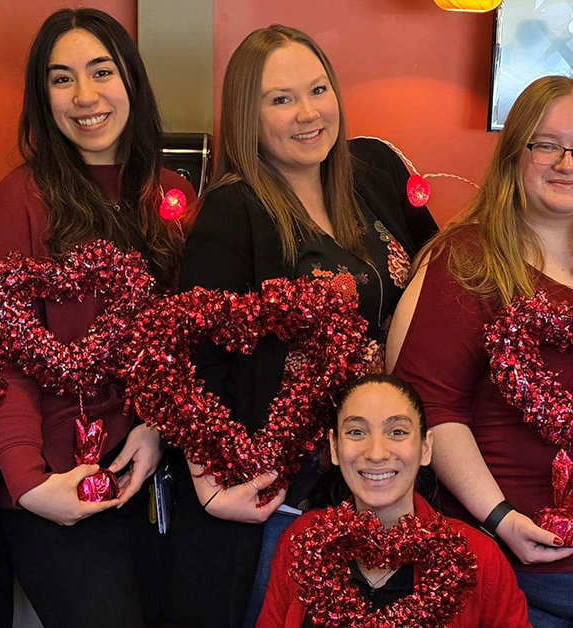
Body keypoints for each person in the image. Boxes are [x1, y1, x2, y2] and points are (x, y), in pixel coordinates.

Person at [174, 24, 437, 628]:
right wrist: (207, 479)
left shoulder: (374, 170)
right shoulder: (232, 210)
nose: (308, 113)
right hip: (291, 493)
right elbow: (191, 357)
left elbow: (437, 269)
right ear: (248, 114)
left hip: (385, 475)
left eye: (318, 90)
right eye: (281, 99)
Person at [387, 76, 573, 627]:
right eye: (547, 144)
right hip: (519, 569)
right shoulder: (467, 260)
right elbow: (431, 411)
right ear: (515, 155)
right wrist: (500, 519)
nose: (568, 161)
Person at [0, 9, 195, 627]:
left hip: (154, 484)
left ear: (132, 80)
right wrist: (30, 482)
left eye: (102, 72)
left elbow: (184, 342)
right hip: (54, 491)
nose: (86, 96)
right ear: (42, 97)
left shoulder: (172, 197)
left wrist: (155, 425)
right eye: (61, 78)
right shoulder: (18, 200)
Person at [256, 374, 530, 627]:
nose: (376, 453)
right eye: (356, 432)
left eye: (397, 432)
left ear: (425, 448)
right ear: (335, 447)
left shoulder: (479, 558)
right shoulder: (302, 540)